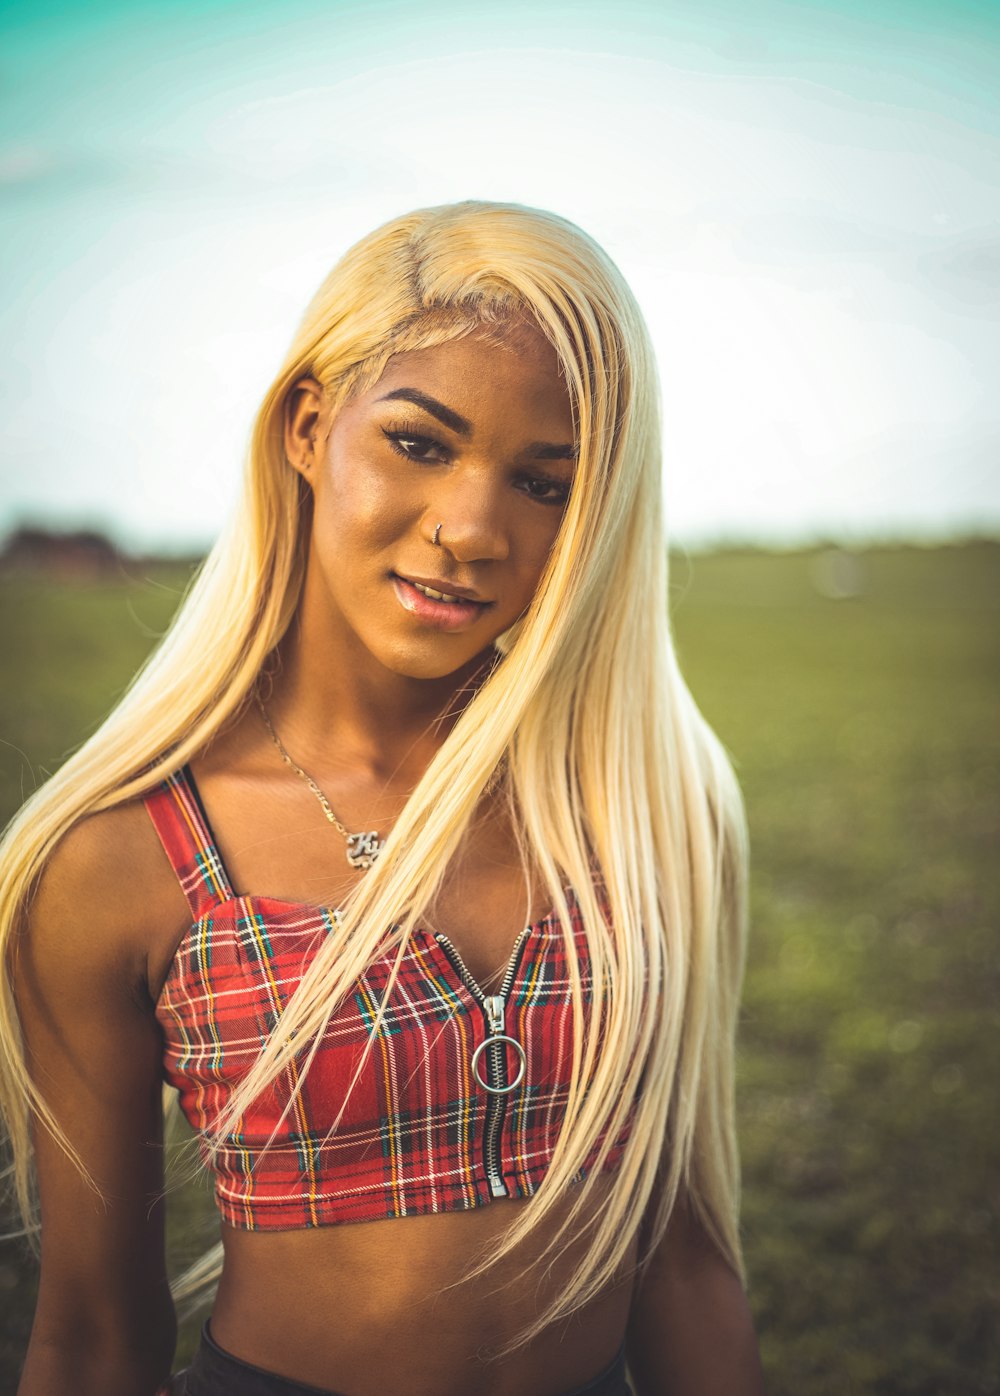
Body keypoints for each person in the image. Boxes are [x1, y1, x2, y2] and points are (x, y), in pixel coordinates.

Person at [0, 200, 765, 1396]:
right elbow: (95, 1333)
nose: (469, 528)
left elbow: (685, 1260)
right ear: (310, 428)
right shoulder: (116, 858)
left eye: (543, 482)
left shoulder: (649, 805)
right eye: (418, 443)